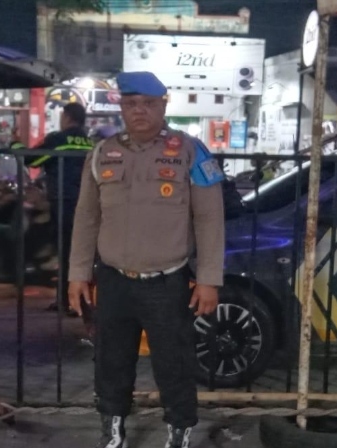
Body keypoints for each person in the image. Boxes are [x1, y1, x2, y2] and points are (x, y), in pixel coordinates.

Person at [67, 71, 225, 448]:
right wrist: (77, 274)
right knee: (111, 361)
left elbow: (209, 217)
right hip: (113, 280)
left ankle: (179, 431)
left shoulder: (190, 151)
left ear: (163, 105)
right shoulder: (102, 153)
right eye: (131, 103)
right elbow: (87, 216)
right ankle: (113, 430)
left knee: (174, 364)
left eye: (149, 103)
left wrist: (208, 279)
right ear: (121, 107)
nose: (139, 110)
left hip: (167, 282)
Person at [19, 102, 94, 317]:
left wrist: (16, 146)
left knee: (66, 253)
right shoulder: (91, 143)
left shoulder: (58, 139)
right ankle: (74, 300)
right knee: (81, 253)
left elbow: (32, 159)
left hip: (65, 202)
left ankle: (70, 302)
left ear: (67, 117)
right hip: (89, 204)